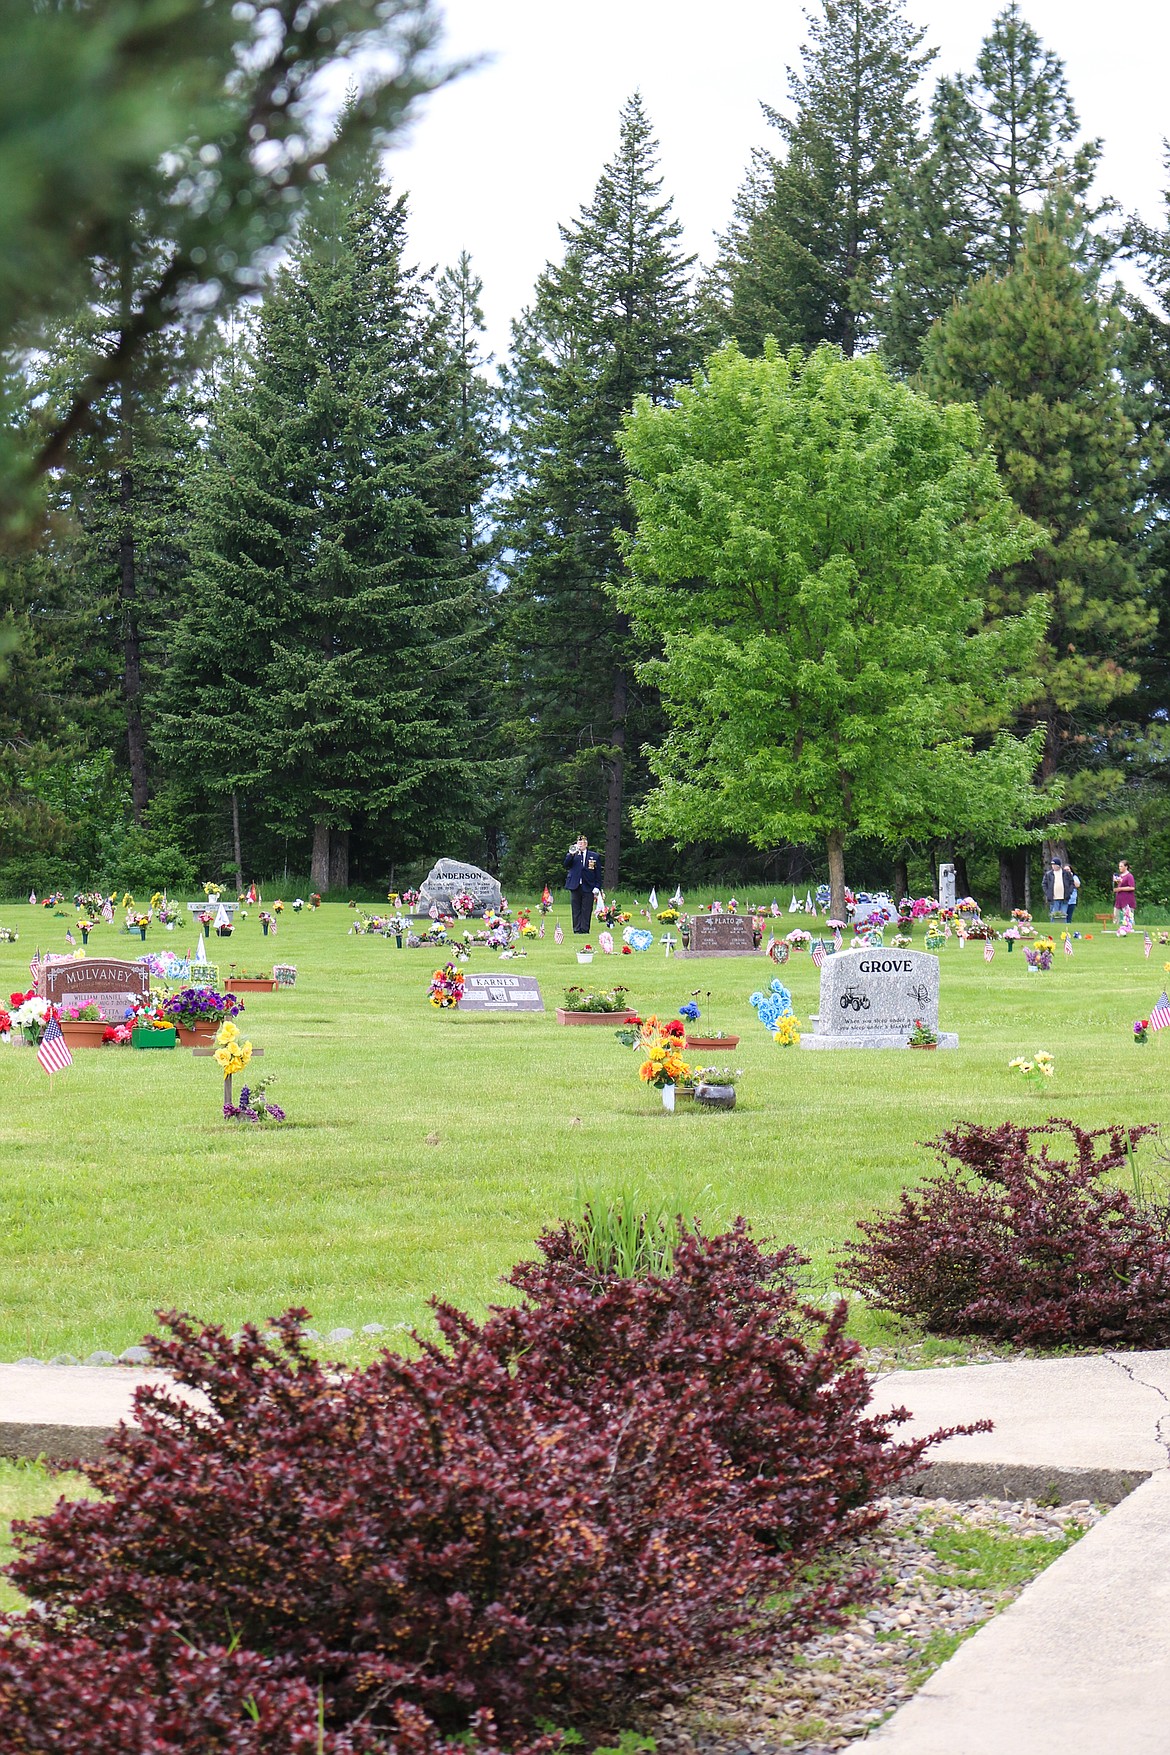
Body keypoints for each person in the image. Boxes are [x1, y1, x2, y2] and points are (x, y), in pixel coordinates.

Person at [563, 834, 601, 935]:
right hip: (575, 885)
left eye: (583, 843)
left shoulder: (594, 856)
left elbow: (598, 873)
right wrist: (571, 854)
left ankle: (585, 929)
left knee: (587, 908)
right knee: (576, 908)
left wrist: (597, 886)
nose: (581, 845)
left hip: (588, 885)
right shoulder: (573, 855)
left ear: (586, 844)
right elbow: (566, 864)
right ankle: (577, 929)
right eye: (579, 843)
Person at [1042, 857, 1069, 922]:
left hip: (1064, 898)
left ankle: (1063, 928)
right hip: (1054, 898)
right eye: (1052, 865)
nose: (1053, 866)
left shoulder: (1066, 873)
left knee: (1063, 915)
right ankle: (1053, 926)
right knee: (1054, 915)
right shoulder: (1049, 874)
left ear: (1058, 865)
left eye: (1054, 865)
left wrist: (1069, 892)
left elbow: (1071, 883)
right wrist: (1048, 893)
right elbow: (1044, 884)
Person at [1114, 859, 1136, 926]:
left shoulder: (1129, 876)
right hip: (1119, 900)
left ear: (1126, 867)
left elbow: (1132, 887)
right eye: (1119, 866)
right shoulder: (1120, 876)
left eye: (1121, 866)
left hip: (1127, 900)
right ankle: (1116, 928)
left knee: (1129, 917)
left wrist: (1120, 889)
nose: (1119, 868)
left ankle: (1130, 928)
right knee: (1116, 915)